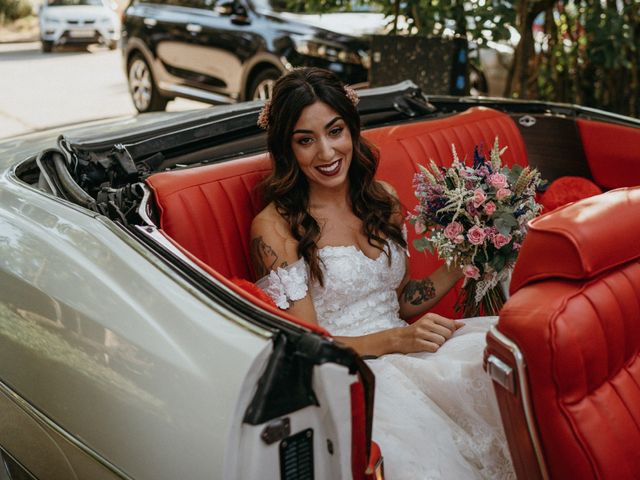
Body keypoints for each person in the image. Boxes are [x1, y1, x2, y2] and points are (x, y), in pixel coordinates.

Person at [250, 67, 514, 479]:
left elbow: (400, 300)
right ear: (287, 150)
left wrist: (465, 257)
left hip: (407, 349)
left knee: (509, 363)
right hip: (355, 374)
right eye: (305, 140)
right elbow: (309, 348)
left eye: (335, 131)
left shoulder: (383, 199)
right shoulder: (275, 228)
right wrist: (398, 339)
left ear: (352, 130)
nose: (326, 152)